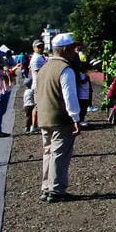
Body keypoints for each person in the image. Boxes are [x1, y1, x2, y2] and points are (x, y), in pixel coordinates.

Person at [35, 32, 82, 202]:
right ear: (64, 49)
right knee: (60, 154)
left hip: (44, 116)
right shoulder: (65, 69)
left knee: (48, 152)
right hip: (60, 118)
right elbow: (70, 96)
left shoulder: (44, 68)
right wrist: (75, 118)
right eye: (72, 48)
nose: (74, 51)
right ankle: (56, 189)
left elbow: (36, 92)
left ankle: (46, 187)